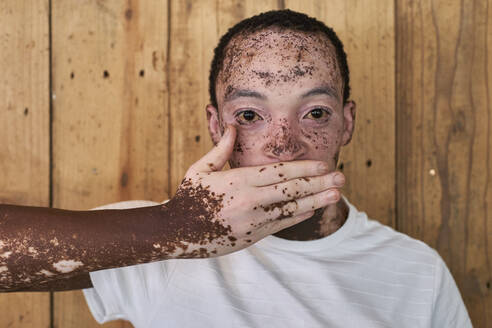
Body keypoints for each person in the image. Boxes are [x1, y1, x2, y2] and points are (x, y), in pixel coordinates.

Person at [0, 9, 471, 328]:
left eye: (315, 113)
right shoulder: (160, 241)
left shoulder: (416, 272)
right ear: (215, 125)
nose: (284, 145)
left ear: (346, 123)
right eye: (249, 116)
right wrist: (180, 227)